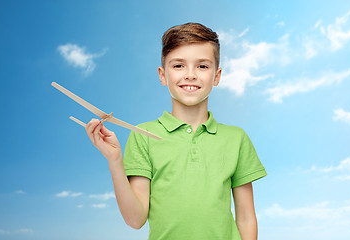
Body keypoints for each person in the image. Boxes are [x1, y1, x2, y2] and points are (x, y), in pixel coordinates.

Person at [84, 22, 267, 240]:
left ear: (217, 76)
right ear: (163, 75)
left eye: (202, 66)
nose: (190, 75)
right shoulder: (143, 135)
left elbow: (246, 218)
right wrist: (114, 160)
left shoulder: (236, 139)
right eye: (178, 65)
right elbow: (135, 220)